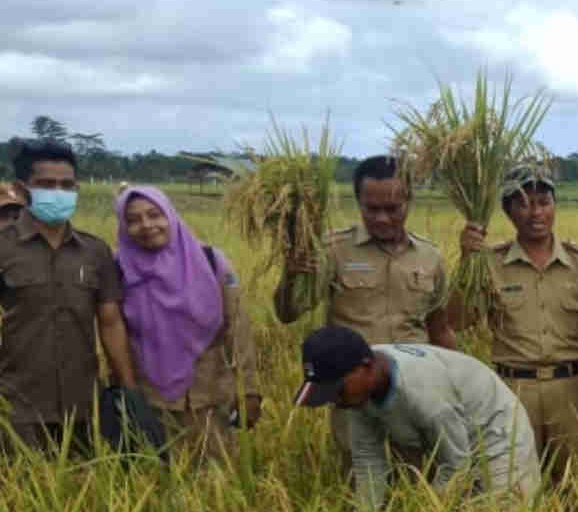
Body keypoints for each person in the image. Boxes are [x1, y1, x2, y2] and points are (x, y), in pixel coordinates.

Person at [273, 155, 456, 467]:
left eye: (393, 208)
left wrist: (455, 382)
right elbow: (288, 313)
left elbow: (439, 327)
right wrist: (292, 276)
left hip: (413, 389)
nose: (382, 218)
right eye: (372, 209)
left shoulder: (430, 256)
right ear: (358, 202)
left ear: (409, 201)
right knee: (360, 473)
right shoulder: (332, 250)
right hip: (354, 391)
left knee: (416, 472)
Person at [458, 168, 578, 483]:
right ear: (508, 211)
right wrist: (466, 262)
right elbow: (458, 320)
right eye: (524, 204)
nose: (536, 212)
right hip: (514, 391)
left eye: (543, 202)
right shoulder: (490, 264)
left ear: (554, 205)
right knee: (514, 484)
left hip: (572, 391)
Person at [293, 325, 541, 512]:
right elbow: (368, 459)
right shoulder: (356, 394)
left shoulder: (422, 393)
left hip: (496, 431)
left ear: (366, 366)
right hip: (451, 430)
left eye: (337, 389)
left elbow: (457, 466)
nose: (335, 401)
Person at [0, 140, 139, 451]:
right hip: (16, 405)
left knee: (85, 476)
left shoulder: (95, 251)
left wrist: (128, 388)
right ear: (21, 190)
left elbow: (110, 322)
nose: (58, 193)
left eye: (66, 186)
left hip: (84, 405)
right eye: (46, 185)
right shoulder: (3, 247)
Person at [114, 185, 260, 464]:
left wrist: (249, 390)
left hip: (210, 397)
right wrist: (125, 392)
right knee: (158, 478)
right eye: (133, 220)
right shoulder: (118, 269)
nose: (146, 225)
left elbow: (238, 327)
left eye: (154, 215)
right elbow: (112, 333)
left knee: (216, 481)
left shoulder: (211, 261)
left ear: (170, 214)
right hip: (151, 404)